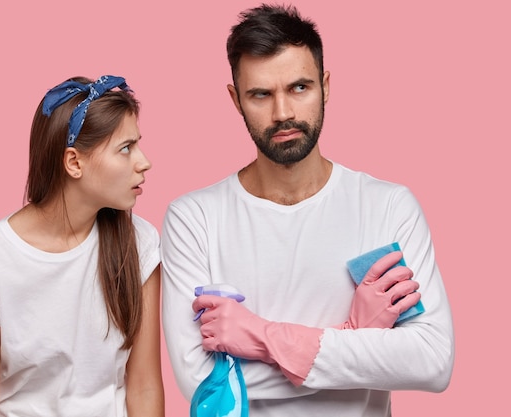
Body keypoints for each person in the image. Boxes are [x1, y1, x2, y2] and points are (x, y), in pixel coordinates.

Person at [161, 4, 454, 416]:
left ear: (326, 85)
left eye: (300, 88)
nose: (283, 113)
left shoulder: (388, 205)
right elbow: (202, 383)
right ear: (235, 99)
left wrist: (261, 338)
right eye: (261, 94)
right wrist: (357, 336)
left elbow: (432, 360)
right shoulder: (194, 219)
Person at [0, 75, 164, 417]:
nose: (144, 162)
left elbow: (145, 386)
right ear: (74, 162)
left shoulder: (140, 243)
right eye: (126, 148)